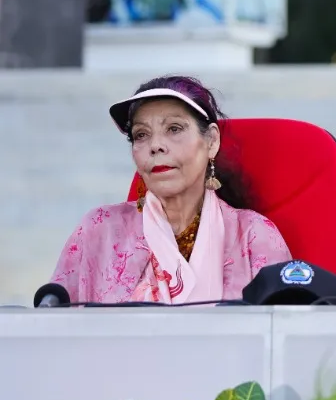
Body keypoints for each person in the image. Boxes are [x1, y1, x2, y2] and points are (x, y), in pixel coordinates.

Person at [51, 77, 293, 303]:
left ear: (211, 141)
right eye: (141, 134)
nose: (155, 145)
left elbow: (280, 329)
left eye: (174, 129)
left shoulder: (253, 236)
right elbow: (56, 323)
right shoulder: (97, 231)